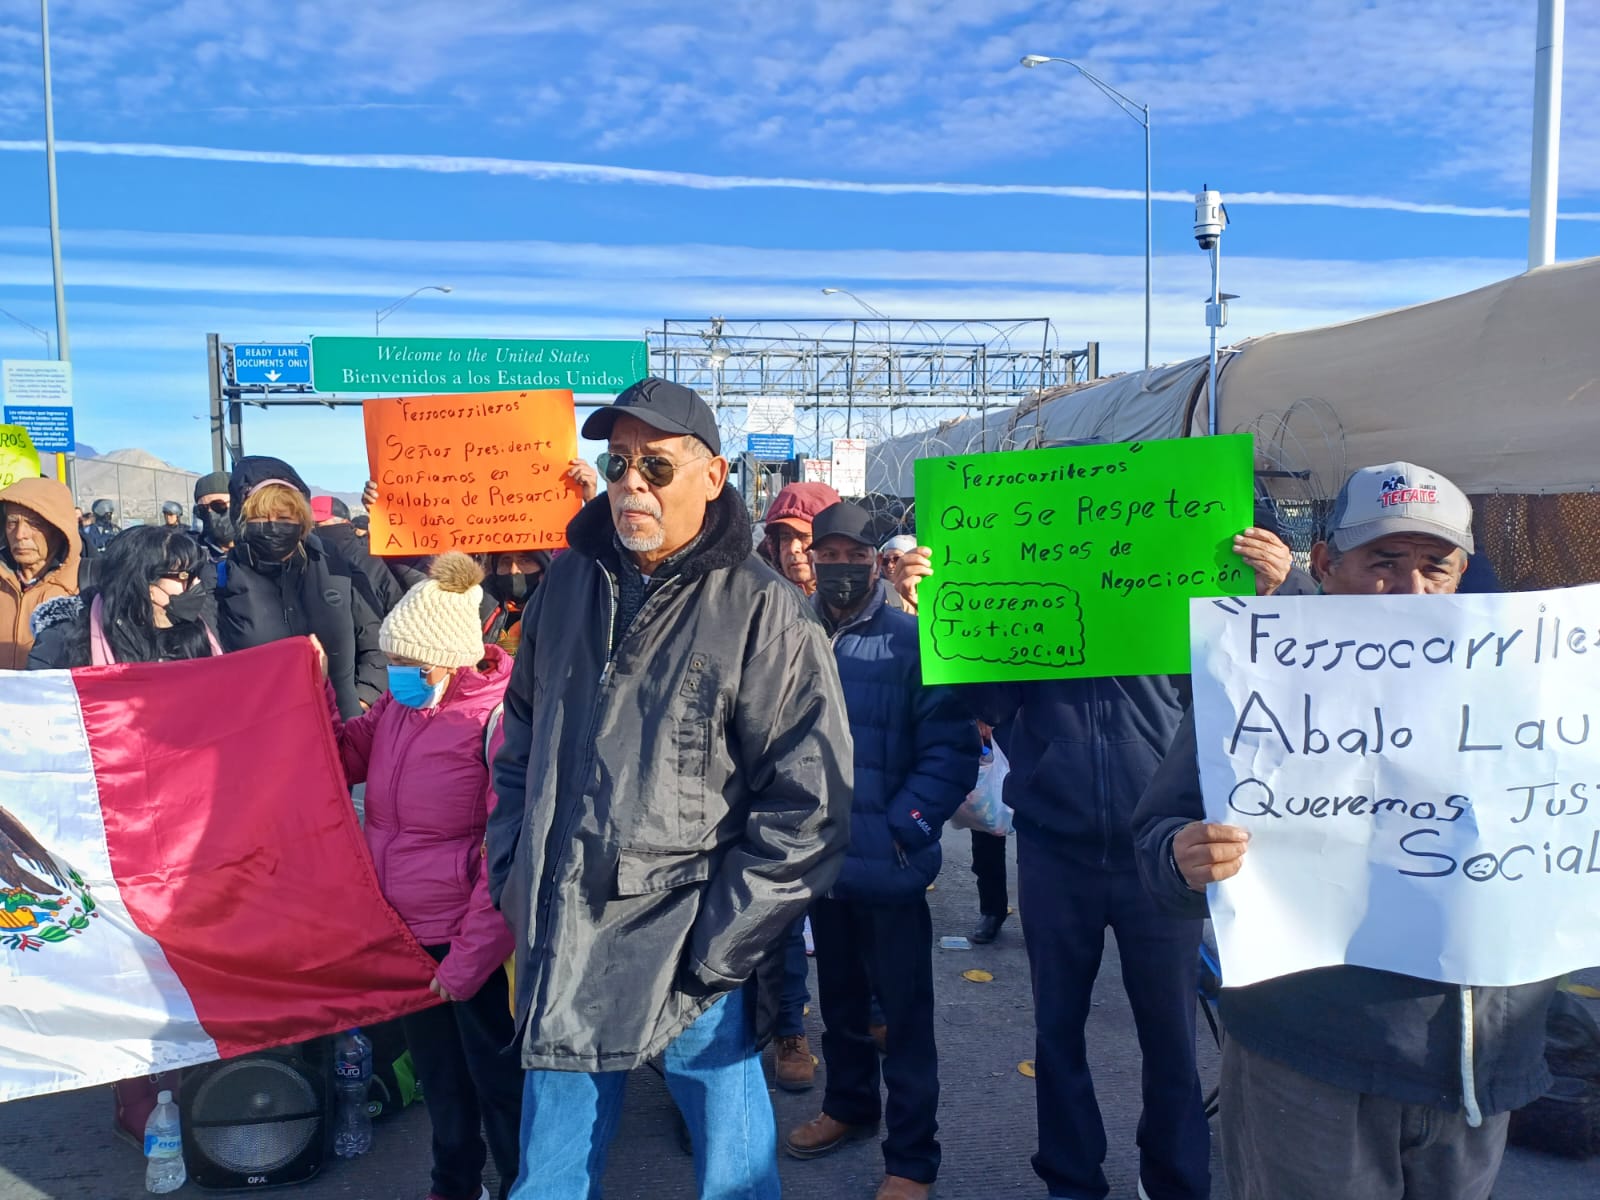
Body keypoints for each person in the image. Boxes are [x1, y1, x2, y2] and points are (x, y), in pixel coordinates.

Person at [1133, 462, 1556, 1200]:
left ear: (1461, 575)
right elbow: (1159, 831)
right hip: (1309, 1055)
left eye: (1435, 566)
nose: (1412, 589)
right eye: (1383, 563)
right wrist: (1181, 855)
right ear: (1325, 565)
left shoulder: (1535, 687)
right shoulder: (1254, 677)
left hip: (1478, 1062)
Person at [486, 377, 852, 1200]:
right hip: (567, 937)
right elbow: (519, 744)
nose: (630, 486)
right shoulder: (568, 585)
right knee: (546, 1178)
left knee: (735, 1180)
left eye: (655, 465)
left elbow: (810, 806)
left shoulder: (765, 611)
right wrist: (512, 866)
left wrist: (721, 948)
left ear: (714, 475)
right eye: (616, 465)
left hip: (694, 957)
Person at [896, 520, 1292, 1200]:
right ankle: (1071, 1180)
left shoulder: (1179, 597)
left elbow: (1254, 680)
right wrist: (934, 611)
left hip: (1159, 855)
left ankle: (1175, 1181)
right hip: (1056, 848)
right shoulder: (1038, 601)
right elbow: (986, 702)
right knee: (1057, 1031)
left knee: (1170, 1037)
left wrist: (1275, 596)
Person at [783, 502, 977, 1200]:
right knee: (837, 1005)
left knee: (905, 1019)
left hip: (888, 865)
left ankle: (911, 1160)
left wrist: (906, 827)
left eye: (851, 554)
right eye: (826, 554)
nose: (838, 566)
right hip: (815, 863)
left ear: (878, 561)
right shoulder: (789, 635)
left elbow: (951, 749)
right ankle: (849, 1107)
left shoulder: (911, 640)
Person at [329, 552, 522, 1200]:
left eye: (411, 665)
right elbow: (344, 755)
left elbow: (507, 851)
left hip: (469, 947)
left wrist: (468, 960)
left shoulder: (494, 720)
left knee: (498, 1085)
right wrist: (298, 694)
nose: (398, 676)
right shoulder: (400, 706)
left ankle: (522, 1183)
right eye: (394, 664)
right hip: (405, 935)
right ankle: (453, 1184)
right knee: (440, 1082)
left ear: (454, 659)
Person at [26, 523, 218, 1143]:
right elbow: (33, 725)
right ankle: (136, 1087)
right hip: (101, 819)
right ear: (136, 575)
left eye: (192, 575)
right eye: (172, 575)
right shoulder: (68, 640)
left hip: (186, 819)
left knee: (187, 952)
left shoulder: (198, 631)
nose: (184, 587)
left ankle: (190, 1078)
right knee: (125, 957)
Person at [754, 478, 843, 1089]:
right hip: (781, 795)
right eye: (781, 538)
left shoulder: (878, 606)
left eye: (803, 538)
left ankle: (867, 1018)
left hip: (857, 794)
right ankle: (791, 1032)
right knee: (783, 924)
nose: (792, 550)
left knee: (853, 926)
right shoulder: (762, 606)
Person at [214, 456, 385, 719]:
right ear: (242, 520)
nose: (272, 525)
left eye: (284, 516)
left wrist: (364, 697)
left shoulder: (335, 565)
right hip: (268, 735)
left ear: (302, 519)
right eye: (260, 517)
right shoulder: (222, 579)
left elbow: (375, 638)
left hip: (344, 728)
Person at [1, 477, 82, 669]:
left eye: (34, 523)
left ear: (58, 528)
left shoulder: (88, 586)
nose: (20, 534)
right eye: (12, 522)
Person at [312, 494, 405, 617]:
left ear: (344, 523)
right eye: (307, 526)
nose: (311, 531)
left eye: (318, 525)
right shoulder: (301, 565)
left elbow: (397, 607)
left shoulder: (373, 561)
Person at [762, 480, 841, 597]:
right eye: (785, 538)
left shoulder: (860, 604)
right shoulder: (761, 599)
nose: (793, 548)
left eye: (804, 536)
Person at [480, 550, 550, 654]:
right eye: (505, 561)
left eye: (525, 561)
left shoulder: (558, 612)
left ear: (543, 567)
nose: (513, 570)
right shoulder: (479, 606)